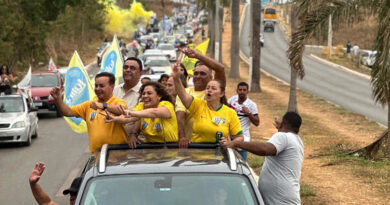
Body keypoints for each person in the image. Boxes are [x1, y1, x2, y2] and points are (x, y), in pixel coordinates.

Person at [222, 112, 304, 205]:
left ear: (282, 124)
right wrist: (281, 128)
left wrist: (236, 143)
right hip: (285, 197)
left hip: (280, 200)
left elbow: (265, 149)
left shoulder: (283, 137)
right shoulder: (297, 140)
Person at [50, 72, 128, 153]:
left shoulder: (119, 102)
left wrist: (102, 106)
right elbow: (68, 112)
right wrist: (58, 99)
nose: (97, 89)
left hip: (118, 157)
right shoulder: (89, 105)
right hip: (97, 157)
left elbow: (123, 111)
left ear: (112, 87)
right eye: (96, 86)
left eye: (101, 86)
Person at [172, 62, 243, 143]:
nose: (209, 90)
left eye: (213, 88)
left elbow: (239, 137)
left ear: (222, 93)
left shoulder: (230, 113)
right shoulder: (198, 105)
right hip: (197, 152)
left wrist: (231, 143)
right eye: (208, 88)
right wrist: (176, 78)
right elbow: (183, 95)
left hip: (218, 154)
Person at [175, 47, 226, 148]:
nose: (198, 76)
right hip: (190, 145)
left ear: (211, 78)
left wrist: (197, 55)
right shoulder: (185, 92)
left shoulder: (214, 91)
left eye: (203, 74)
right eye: (195, 73)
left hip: (214, 146)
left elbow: (220, 69)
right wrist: (183, 137)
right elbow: (180, 116)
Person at [103, 81, 178, 148]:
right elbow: (129, 118)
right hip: (152, 152)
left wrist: (132, 113)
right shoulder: (141, 106)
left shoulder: (166, 104)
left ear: (159, 96)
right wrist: (115, 119)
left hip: (171, 150)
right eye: (143, 93)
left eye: (149, 93)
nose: (145, 96)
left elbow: (155, 112)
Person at [228, 82, 260, 160]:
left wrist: (248, 113)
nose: (242, 92)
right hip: (230, 134)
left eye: (244, 90)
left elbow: (257, 123)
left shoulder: (251, 105)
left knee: (241, 161)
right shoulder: (232, 100)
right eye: (240, 90)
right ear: (237, 90)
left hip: (243, 135)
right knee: (228, 159)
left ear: (247, 91)